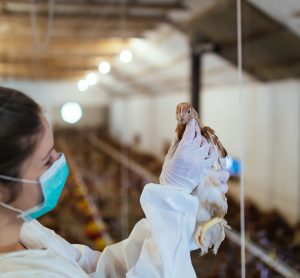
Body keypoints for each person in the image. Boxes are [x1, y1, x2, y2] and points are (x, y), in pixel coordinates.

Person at [0, 87, 229, 277]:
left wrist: (179, 209)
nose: (59, 162)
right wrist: (173, 200)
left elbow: (101, 271)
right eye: (46, 159)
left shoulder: (24, 230)